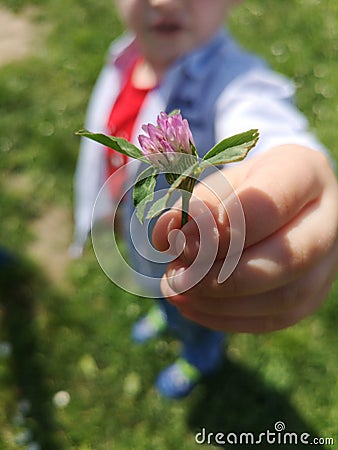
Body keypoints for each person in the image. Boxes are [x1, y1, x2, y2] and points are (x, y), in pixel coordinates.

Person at [72, 0, 338, 398]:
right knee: (157, 287)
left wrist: (304, 171)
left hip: (195, 261)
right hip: (141, 233)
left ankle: (200, 353)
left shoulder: (234, 80)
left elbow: (269, 125)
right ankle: (164, 316)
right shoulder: (126, 55)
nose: (163, 1)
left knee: (193, 309)